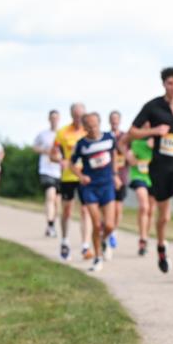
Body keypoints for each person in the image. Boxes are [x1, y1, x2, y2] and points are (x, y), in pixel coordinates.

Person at [126, 67, 173, 279]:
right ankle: (160, 246)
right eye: (170, 83)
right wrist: (152, 131)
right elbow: (132, 132)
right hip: (160, 168)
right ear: (164, 84)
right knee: (164, 216)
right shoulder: (152, 106)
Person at [70, 112, 119, 272]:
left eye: (95, 125)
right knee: (97, 225)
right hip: (90, 187)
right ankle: (97, 257)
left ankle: (104, 241)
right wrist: (81, 176)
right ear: (84, 127)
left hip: (107, 185)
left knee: (110, 225)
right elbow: (71, 164)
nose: (92, 128)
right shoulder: (81, 144)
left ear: (99, 123)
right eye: (89, 126)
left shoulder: (109, 138)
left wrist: (116, 175)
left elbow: (114, 155)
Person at [51, 103, 94, 261]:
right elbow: (53, 154)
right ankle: (65, 241)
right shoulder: (62, 132)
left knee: (85, 211)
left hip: (85, 176)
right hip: (69, 176)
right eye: (75, 116)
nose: (78, 119)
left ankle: (85, 246)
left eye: (81, 116)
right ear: (71, 115)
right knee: (67, 211)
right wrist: (60, 160)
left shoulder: (90, 132)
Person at [33, 109, 63, 237]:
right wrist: (45, 151)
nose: (54, 120)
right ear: (49, 119)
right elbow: (34, 147)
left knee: (57, 202)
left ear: (59, 119)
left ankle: (52, 224)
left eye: (56, 117)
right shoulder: (43, 134)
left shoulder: (63, 134)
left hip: (60, 171)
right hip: (46, 170)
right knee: (50, 196)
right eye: (52, 117)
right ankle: (50, 225)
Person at [126, 126, 155, 256]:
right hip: (139, 176)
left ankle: (146, 236)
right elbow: (125, 149)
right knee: (144, 206)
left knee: (151, 210)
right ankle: (142, 239)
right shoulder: (135, 140)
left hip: (154, 178)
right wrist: (129, 154)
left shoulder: (159, 140)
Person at [108, 110, 129, 253]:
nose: (114, 121)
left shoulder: (126, 137)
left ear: (120, 120)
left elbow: (131, 155)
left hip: (122, 177)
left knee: (118, 209)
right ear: (109, 121)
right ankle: (107, 231)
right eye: (112, 119)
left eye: (117, 119)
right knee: (108, 208)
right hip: (107, 177)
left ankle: (113, 231)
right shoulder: (105, 137)